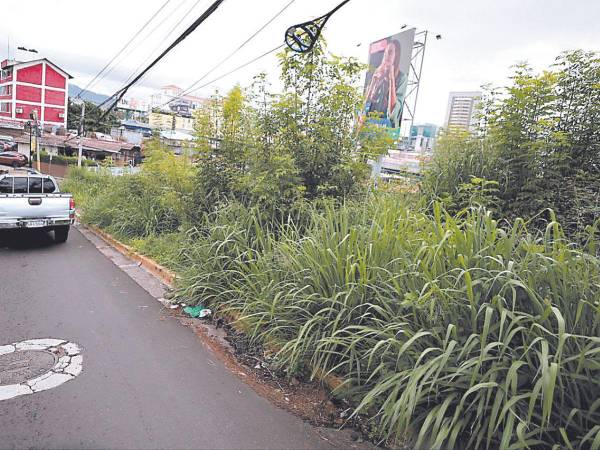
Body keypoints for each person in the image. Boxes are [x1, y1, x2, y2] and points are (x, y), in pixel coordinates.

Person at [364, 39, 407, 128]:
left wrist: (391, 79)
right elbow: (365, 105)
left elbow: (393, 113)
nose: (387, 55)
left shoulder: (402, 78)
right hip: (369, 126)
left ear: (396, 55)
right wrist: (373, 83)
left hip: (385, 131)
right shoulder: (378, 73)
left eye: (390, 52)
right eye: (385, 52)